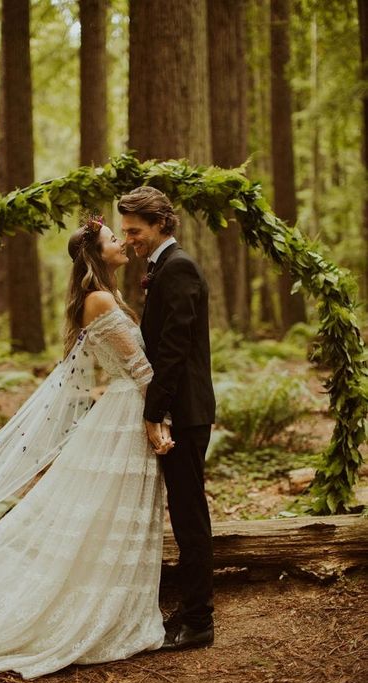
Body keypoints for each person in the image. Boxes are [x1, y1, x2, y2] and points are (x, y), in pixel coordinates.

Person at [0, 217, 174, 679]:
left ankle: (110, 598)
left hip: (122, 410)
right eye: (112, 239)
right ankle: (93, 610)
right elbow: (140, 371)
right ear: (95, 255)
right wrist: (157, 423)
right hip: (130, 415)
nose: (122, 243)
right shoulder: (101, 299)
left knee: (106, 514)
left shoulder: (105, 296)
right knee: (107, 510)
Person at [118, 187, 216, 650]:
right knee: (183, 509)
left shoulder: (178, 269)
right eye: (125, 232)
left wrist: (154, 411)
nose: (129, 239)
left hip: (185, 412)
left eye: (135, 231)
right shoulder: (163, 268)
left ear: (159, 224)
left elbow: (174, 349)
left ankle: (199, 620)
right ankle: (191, 610)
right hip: (178, 409)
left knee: (190, 513)